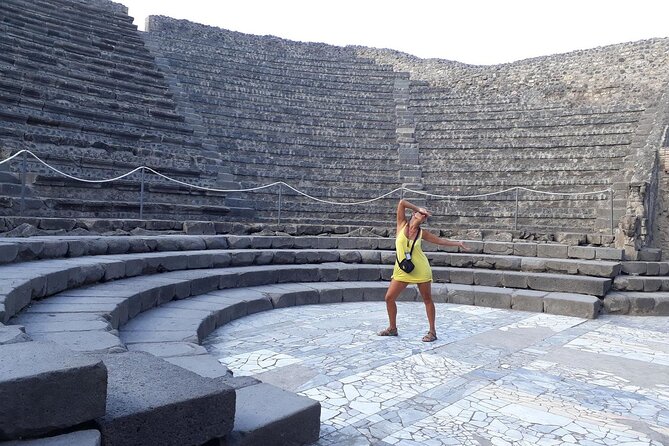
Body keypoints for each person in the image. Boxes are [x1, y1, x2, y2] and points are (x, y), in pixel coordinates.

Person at [377, 199, 469, 342]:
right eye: (421, 214)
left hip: (420, 269)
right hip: (402, 269)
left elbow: (440, 241)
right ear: (414, 214)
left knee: (427, 299)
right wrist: (419, 208)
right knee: (389, 298)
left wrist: (458, 243)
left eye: (425, 216)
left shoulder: (422, 233)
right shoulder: (401, 225)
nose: (424, 216)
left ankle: (432, 332)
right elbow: (402, 203)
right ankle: (392, 328)